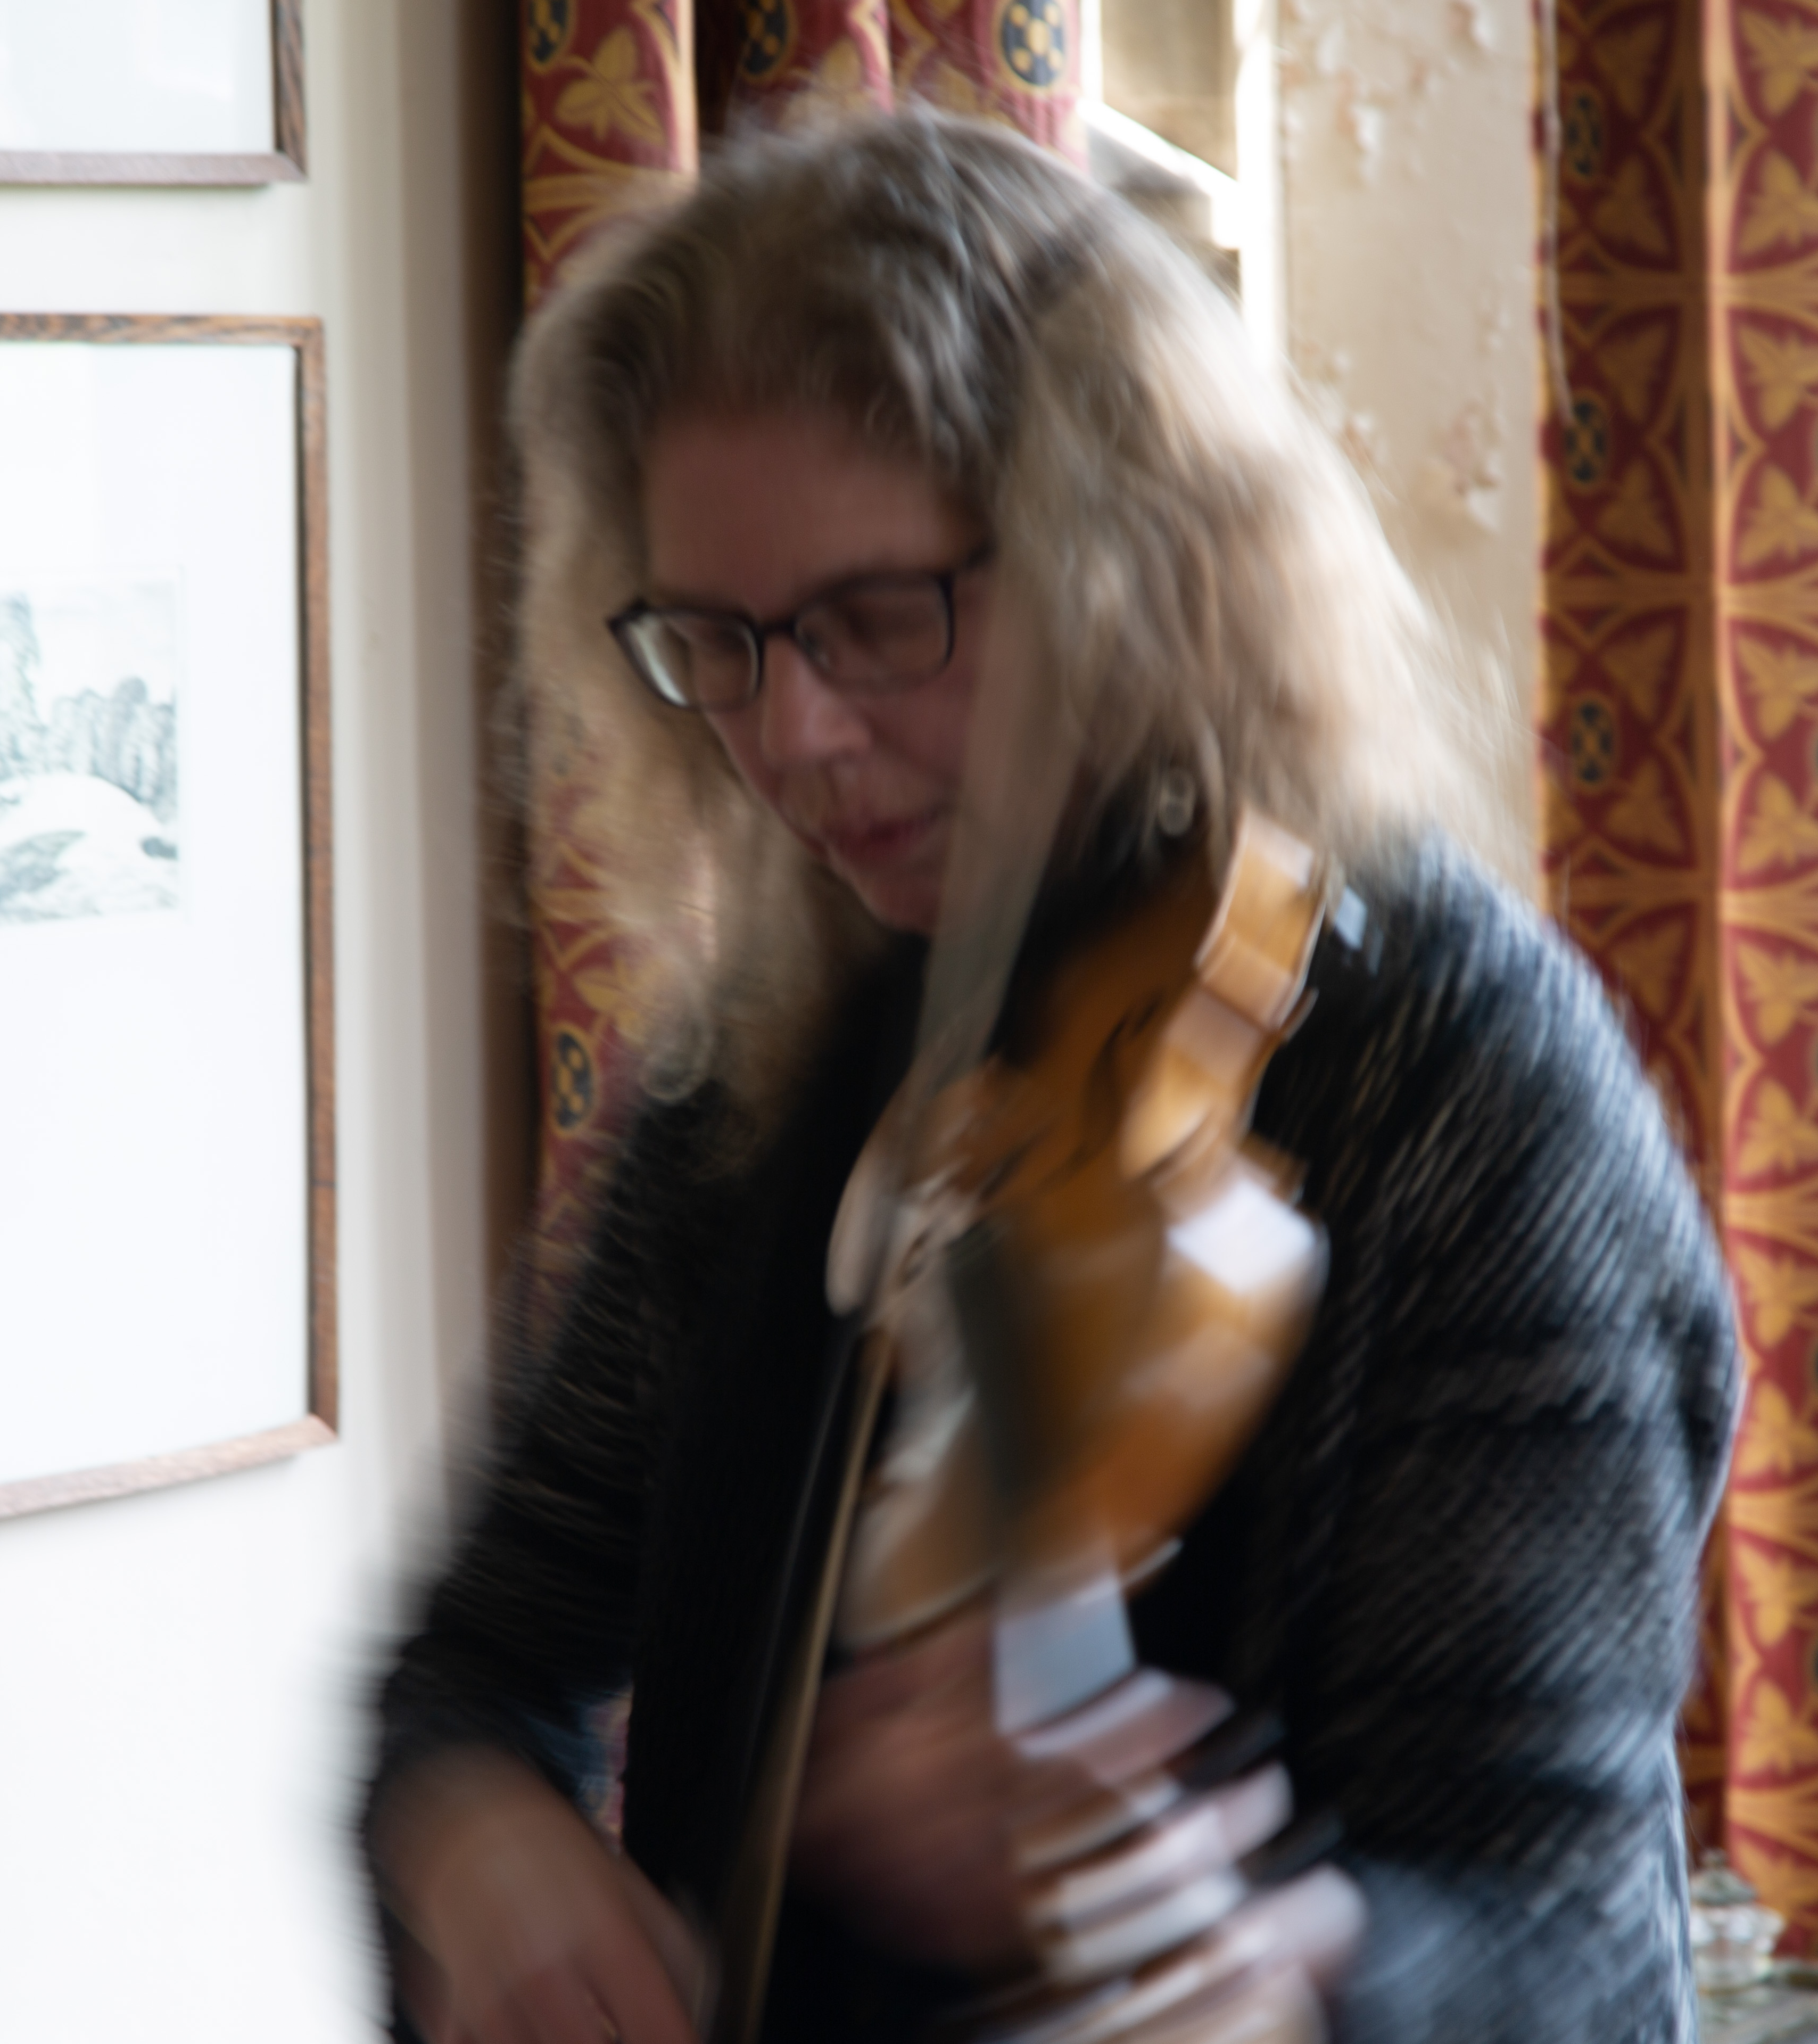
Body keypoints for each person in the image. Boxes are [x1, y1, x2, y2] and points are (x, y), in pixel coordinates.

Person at [366, 110, 1740, 2044]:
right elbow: (481, 1658)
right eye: (720, 641)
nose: (792, 735)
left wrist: (1284, 1976)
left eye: (875, 621)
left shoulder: (1464, 1084)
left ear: (1138, 559)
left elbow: (1566, 1936)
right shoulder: (774, 1058)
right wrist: (480, 1841)